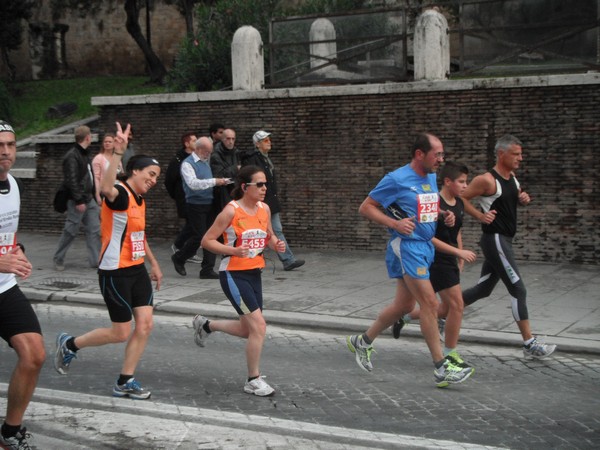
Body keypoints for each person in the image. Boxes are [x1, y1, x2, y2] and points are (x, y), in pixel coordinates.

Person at [345, 133, 473, 388]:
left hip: (425, 246)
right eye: (437, 154)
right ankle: (441, 367)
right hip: (407, 246)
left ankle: (363, 341)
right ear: (419, 154)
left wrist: (442, 214)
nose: (441, 159)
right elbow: (366, 207)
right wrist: (394, 223)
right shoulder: (396, 178)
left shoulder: (430, 176)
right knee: (428, 302)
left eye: (442, 154)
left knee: (403, 307)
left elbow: (423, 205)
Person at [54, 122, 163, 400]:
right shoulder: (120, 194)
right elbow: (105, 188)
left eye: (156, 178)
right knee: (120, 333)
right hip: (115, 272)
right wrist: (117, 153)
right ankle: (70, 344)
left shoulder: (139, 200)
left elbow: (139, 235)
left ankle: (125, 380)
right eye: (150, 175)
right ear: (134, 171)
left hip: (136, 269)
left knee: (146, 325)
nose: (153, 180)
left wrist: (154, 264)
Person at [193, 165, 286, 396]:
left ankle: (206, 325)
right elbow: (207, 241)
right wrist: (232, 251)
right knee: (259, 327)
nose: (265, 188)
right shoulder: (231, 211)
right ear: (245, 187)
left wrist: (275, 243)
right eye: (260, 184)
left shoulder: (263, 209)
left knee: (248, 329)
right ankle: (253, 380)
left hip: (254, 273)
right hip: (233, 275)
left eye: (266, 184)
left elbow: (268, 234)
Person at [460, 134, 556, 359]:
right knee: (518, 289)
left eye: (520, 154)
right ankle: (529, 344)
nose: (520, 158)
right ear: (501, 154)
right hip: (495, 239)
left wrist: (522, 199)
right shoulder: (486, 180)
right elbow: (459, 198)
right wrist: (479, 216)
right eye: (516, 154)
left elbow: (510, 201)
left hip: (504, 240)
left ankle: (435, 314)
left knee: (483, 290)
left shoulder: (512, 177)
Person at [392, 161, 477, 369]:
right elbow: (427, 236)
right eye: (461, 182)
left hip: (450, 258)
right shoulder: (433, 201)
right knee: (457, 305)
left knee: (444, 308)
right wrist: (458, 252)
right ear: (447, 182)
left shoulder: (458, 203)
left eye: (467, 182)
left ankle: (406, 316)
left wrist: (458, 254)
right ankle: (449, 354)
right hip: (435, 258)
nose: (465, 186)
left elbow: (457, 231)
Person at [0, 120, 45, 449]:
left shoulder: (13, 184)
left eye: (10, 145)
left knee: (34, 354)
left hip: (4, 287)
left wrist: (18, 251)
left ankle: (9, 432)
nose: (5, 152)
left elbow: (8, 235)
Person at [241, 130, 305, 271]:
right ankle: (281, 260)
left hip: (270, 200)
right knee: (262, 230)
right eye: (265, 140)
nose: (269, 142)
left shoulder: (265, 158)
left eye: (269, 139)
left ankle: (286, 260)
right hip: (262, 200)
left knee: (274, 230)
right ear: (257, 144)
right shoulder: (253, 159)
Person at [170, 137, 230, 279]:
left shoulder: (206, 162)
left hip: (209, 202)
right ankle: (179, 257)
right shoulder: (187, 164)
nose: (209, 154)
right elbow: (193, 184)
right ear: (199, 149)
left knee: (212, 235)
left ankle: (207, 269)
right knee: (200, 237)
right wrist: (214, 181)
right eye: (207, 151)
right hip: (195, 204)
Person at [53, 125, 101, 271]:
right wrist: (79, 200)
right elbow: (71, 180)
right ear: (87, 137)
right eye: (90, 136)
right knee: (70, 231)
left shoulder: (85, 154)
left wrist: (93, 195)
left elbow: (89, 176)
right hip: (77, 200)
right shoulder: (72, 156)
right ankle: (58, 258)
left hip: (88, 198)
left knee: (94, 229)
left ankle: (96, 261)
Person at [164, 132, 203, 264]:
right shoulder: (178, 160)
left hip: (197, 197)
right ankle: (181, 247)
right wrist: (177, 195)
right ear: (187, 144)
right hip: (185, 198)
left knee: (193, 224)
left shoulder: (197, 158)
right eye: (194, 140)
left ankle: (185, 249)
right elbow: (169, 180)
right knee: (193, 225)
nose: (196, 142)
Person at [210, 128, 241, 213]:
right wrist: (236, 169)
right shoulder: (215, 155)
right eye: (228, 138)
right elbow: (218, 175)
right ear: (222, 139)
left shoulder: (236, 152)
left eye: (233, 139)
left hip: (235, 191)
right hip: (223, 194)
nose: (231, 141)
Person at [92, 133, 121, 204]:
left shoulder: (117, 158)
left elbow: (121, 173)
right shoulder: (98, 158)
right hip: (105, 191)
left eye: (110, 142)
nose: (107, 143)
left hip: (117, 190)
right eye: (105, 142)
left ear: (114, 143)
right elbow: (96, 178)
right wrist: (97, 194)